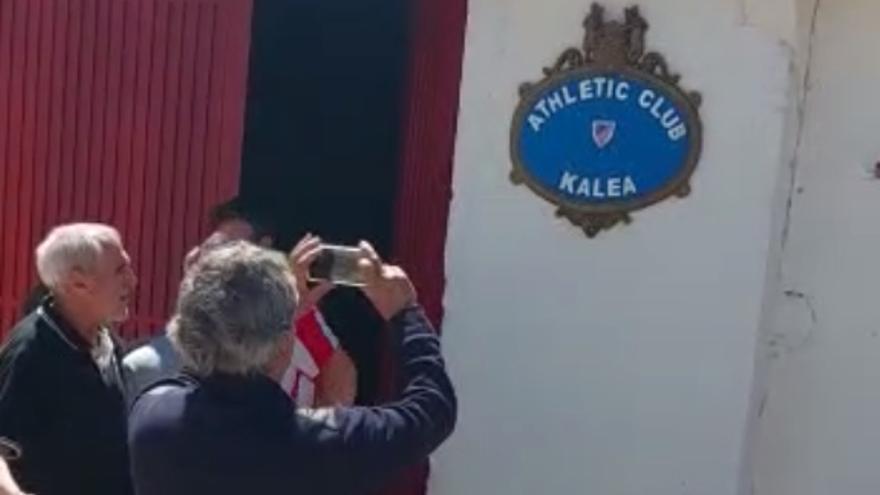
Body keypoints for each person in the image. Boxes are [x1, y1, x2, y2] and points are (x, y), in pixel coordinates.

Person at [128, 241, 456, 495]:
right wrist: (404, 313)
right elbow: (431, 410)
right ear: (285, 343)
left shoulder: (151, 414)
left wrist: (281, 316)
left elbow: (198, 369)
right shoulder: (319, 443)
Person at [123, 199, 356, 407]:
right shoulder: (151, 363)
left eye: (229, 249)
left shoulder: (300, 311)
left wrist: (307, 435)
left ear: (263, 250)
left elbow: (342, 393)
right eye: (209, 250)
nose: (217, 261)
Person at [0, 223, 137, 495]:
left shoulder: (105, 339)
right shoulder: (30, 354)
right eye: (120, 271)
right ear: (78, 283)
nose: (132, 281)